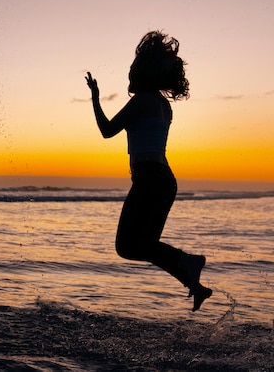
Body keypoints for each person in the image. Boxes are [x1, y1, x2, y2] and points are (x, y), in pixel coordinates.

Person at [85, 31, 212, 311]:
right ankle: (194, 284)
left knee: (127, 246)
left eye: (133, 69)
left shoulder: (143, 100)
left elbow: (107, 131)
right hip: (164, 180)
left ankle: (190, 261)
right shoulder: (164, 105)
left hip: (149, 179)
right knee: (146, 244)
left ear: (142, 72)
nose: (129, 74)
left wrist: (95, 99)